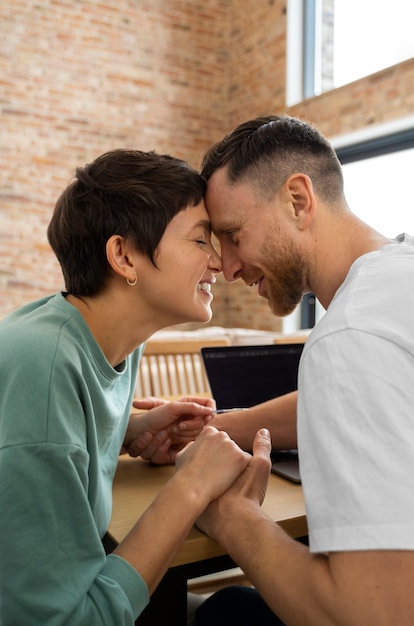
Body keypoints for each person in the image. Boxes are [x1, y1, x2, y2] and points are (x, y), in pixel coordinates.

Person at [0, 148, 264, 625]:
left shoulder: (109, 336)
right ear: (123, 256)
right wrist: (191, 486)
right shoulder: (43, 362)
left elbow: (37, 446)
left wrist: (130, 432)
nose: (221, 262)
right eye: (202, 240)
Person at [191, 115, 414, 625]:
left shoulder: (351, 337)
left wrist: (234, 518)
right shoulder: (397, 280)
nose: (226, 268)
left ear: (298, 200)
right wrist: (222, 425)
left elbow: (371, 615)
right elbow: (368, 390)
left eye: (232, 234)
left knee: (222, 614)